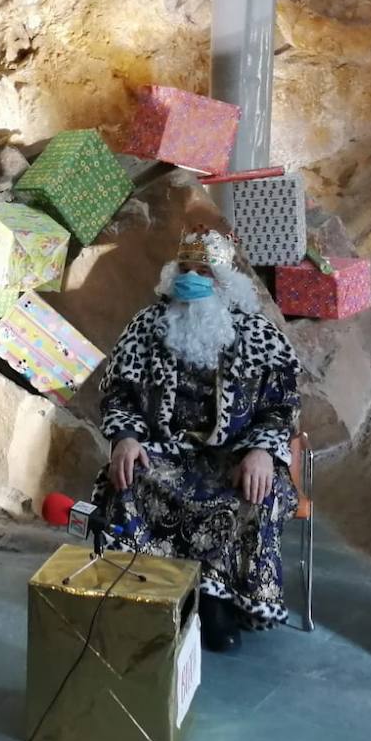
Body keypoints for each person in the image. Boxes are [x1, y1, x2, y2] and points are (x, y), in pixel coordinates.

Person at [93, 226, 303, 651]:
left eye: (203, 271)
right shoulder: (146, 326)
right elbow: (118, 394)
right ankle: (150, 595)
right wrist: (126, 438)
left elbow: (284, 405)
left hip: (236, 454)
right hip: (166, 451)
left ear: (224, 281)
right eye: (185, 268)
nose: (191, 278)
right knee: (129, 480)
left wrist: (263, 451)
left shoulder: (259, 334)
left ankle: (216, 601)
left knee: (255, 494)